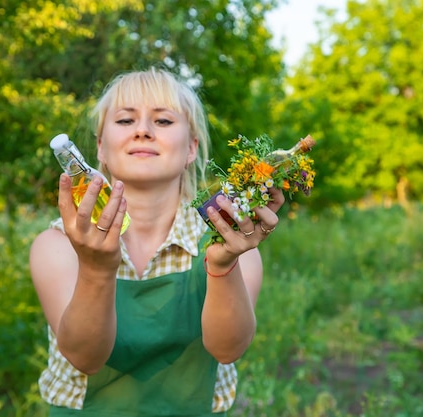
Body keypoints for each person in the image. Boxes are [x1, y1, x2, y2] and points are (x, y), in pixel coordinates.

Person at [29, 66, 285, 416]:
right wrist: (95, 268)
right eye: (125, 121)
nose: (143, 131)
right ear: (101, 147)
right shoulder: (58, 244)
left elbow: (228, 349)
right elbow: (85, 357)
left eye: (163, 121)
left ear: (192, 148)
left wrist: (223, 266)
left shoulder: (227, 240)